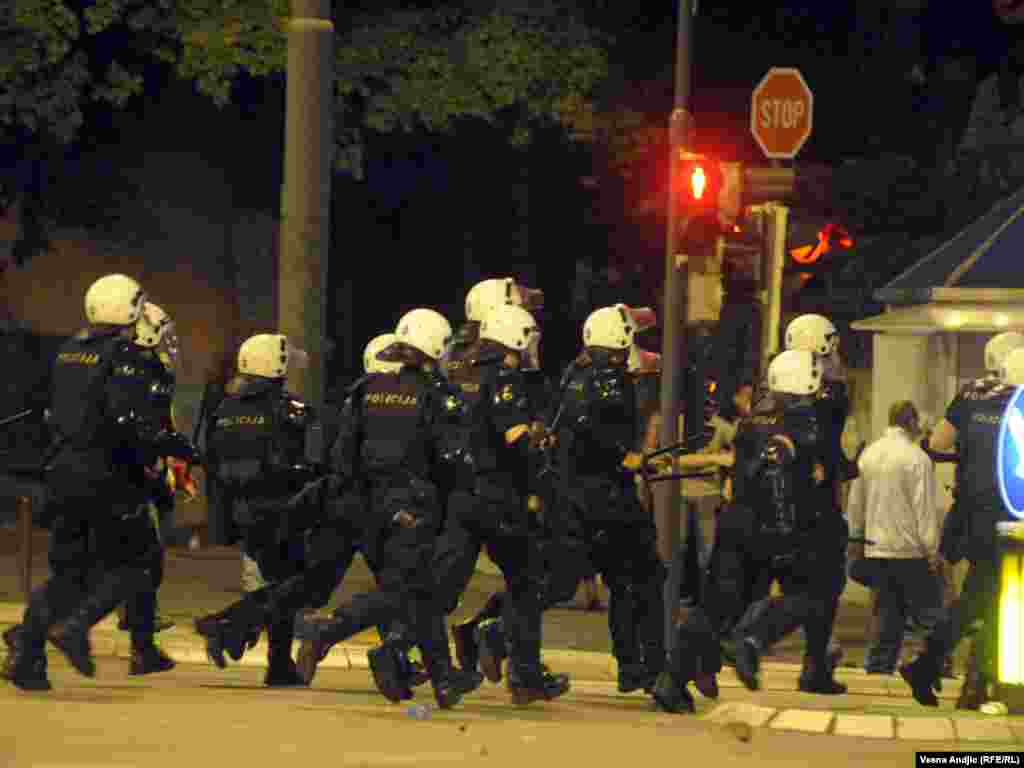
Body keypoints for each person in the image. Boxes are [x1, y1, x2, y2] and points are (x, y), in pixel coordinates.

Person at [3, 274, 195, 690]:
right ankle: (74, 628)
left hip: (61, 474)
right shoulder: (127, 356)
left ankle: (28, 656)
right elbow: (129, 424)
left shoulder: (70, 351)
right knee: (136, 564)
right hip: (106, 474)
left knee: (68, 573)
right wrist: (182, 449)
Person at [293, 309, 475, 708]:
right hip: (414, 505)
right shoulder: (436, 395)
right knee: (407, 590)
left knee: (418, 590)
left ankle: (443, 680)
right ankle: (326, 631)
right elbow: (451, 459)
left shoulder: (366, 388)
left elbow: (343, 452)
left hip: (368, 506)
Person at [431, 303, 570, 706]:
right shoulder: (504, 377)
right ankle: (524, 676)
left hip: (460, 492)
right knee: (527, 582)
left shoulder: (460, 370)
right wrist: (541, 446)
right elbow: (515, 439)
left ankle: (399, 650)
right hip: (498, 497)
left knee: (442, 586)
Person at [193, 333, 329, 687]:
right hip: (281, 510)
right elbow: (311, 461)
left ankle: (275, 662)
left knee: (278, 585)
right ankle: (229, 625)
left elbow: (210, 458)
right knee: (299, 585)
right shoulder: (290, 410)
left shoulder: (224, 408)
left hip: (241, 512)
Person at [900, 334, 1024, 708]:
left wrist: (971, 454)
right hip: (1011, 515)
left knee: (984, 597)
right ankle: (939, 665)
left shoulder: (970, 394)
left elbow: (937, 443)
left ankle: (954, 674)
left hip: (972, 512)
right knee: (984, 599)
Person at [549, 305, 667, 697]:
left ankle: (632, 667)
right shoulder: (610, 379)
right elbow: (595, 433)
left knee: (612, 581)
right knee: (645, 579)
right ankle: (646, 667)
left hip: (577, 496)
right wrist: (625, 457)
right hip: (607, 497)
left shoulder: (575, 373)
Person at [724, 349, 847, 695]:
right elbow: (793, 478)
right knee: (812, 595)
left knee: (798, 593)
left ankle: (812, 669)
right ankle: (752, 638)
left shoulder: (754, 421)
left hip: (750, 521)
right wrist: (787, 531)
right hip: (794, 523)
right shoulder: (803, 422)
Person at [846, 400, 945, 674]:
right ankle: (933, 666)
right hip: (910, 551)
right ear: (912, 423)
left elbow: (856, 503)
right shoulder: (917, 459)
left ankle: (879, 666)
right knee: (930, 614)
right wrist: (932, 550)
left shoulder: (869, 455)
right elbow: (923, 510)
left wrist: (855, 539)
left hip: (876, 549)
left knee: (888, 612)